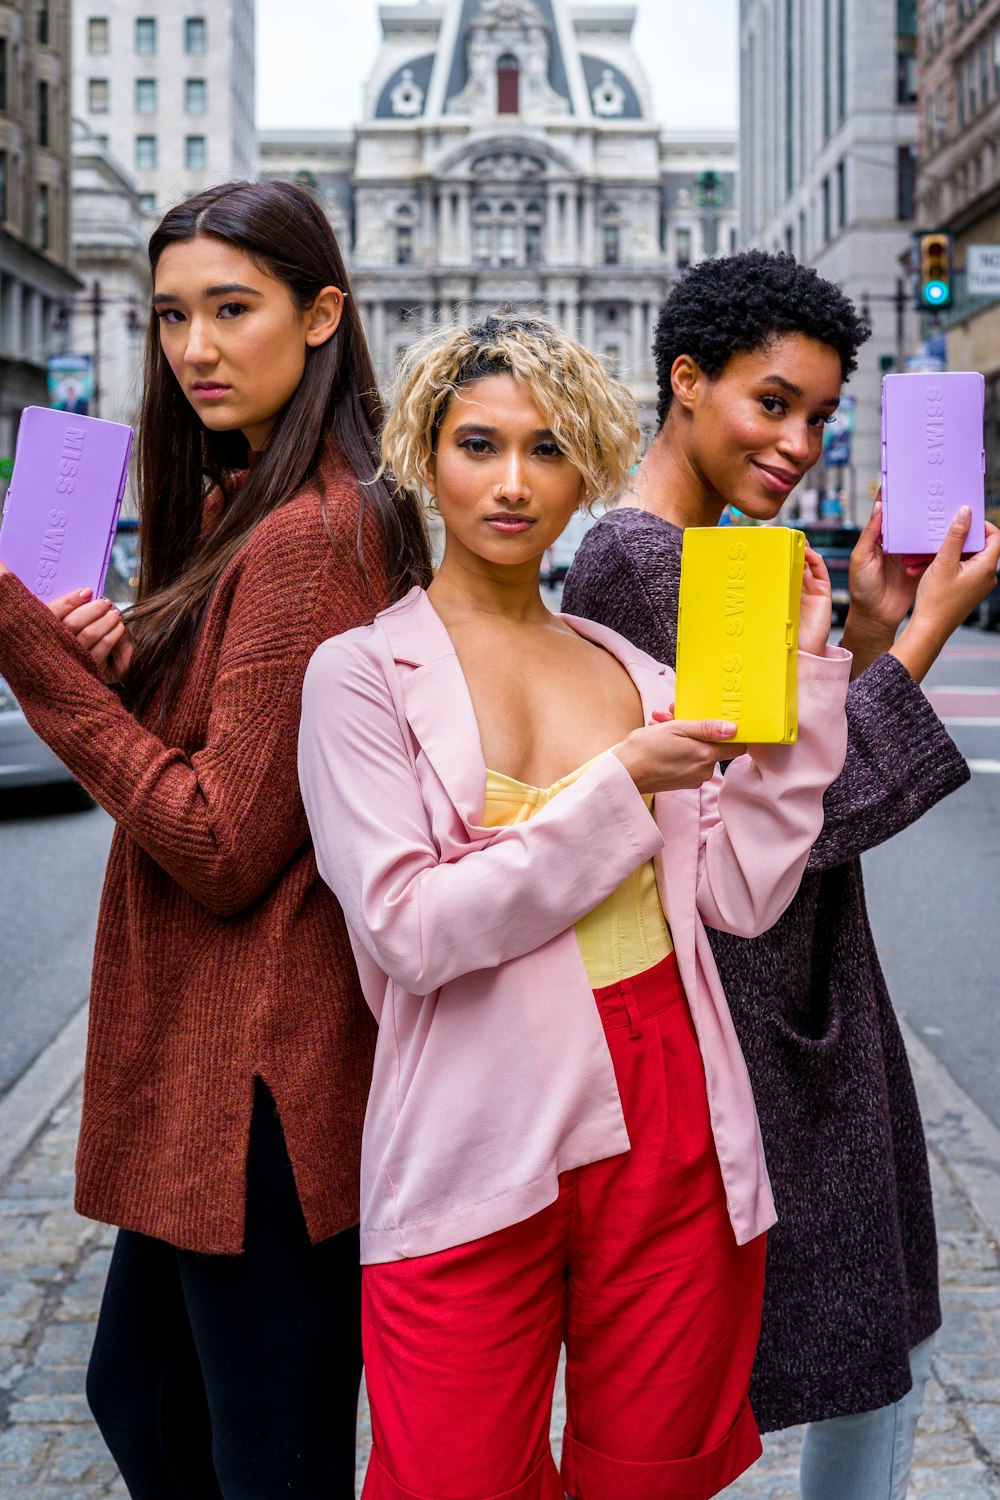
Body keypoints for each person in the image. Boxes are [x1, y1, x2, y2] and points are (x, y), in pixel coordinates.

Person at [297, 313, 853, 1500]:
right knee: (455, 1478)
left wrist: (803, 688)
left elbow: (741, 896)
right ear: (422, 453)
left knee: (649, 1476)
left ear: (586, 465)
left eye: (547, 451)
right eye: (477, 443)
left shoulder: (632, 668)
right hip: (470, 1116)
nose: (511, 483)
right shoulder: (357, 673)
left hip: (672, 1101)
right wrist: (618, 788)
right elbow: (412, 930)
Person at [0, 179, 430, 1498]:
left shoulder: (309, 535)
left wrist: (34, 657)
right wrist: (131, 671)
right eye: (172, 313)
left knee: (268, 1458)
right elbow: (242, 755)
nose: (193, 346)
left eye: (232, 309)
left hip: (269, 1085)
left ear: (320, 316)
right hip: (225, 1066)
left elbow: (224, 839)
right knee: (140, 1395)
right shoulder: (259, 508)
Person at [562, 249, 1000, 1500]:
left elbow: (788, 775)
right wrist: (920, 632)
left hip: (785, 1009)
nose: (799, 441)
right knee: (865, 1361)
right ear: (685, 383)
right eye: (772, 403)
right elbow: (801, 828)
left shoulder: (712, 558)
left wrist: (863, 635)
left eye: (817, 415)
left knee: (867, 1355)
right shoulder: (651, 567)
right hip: (754, 1020)